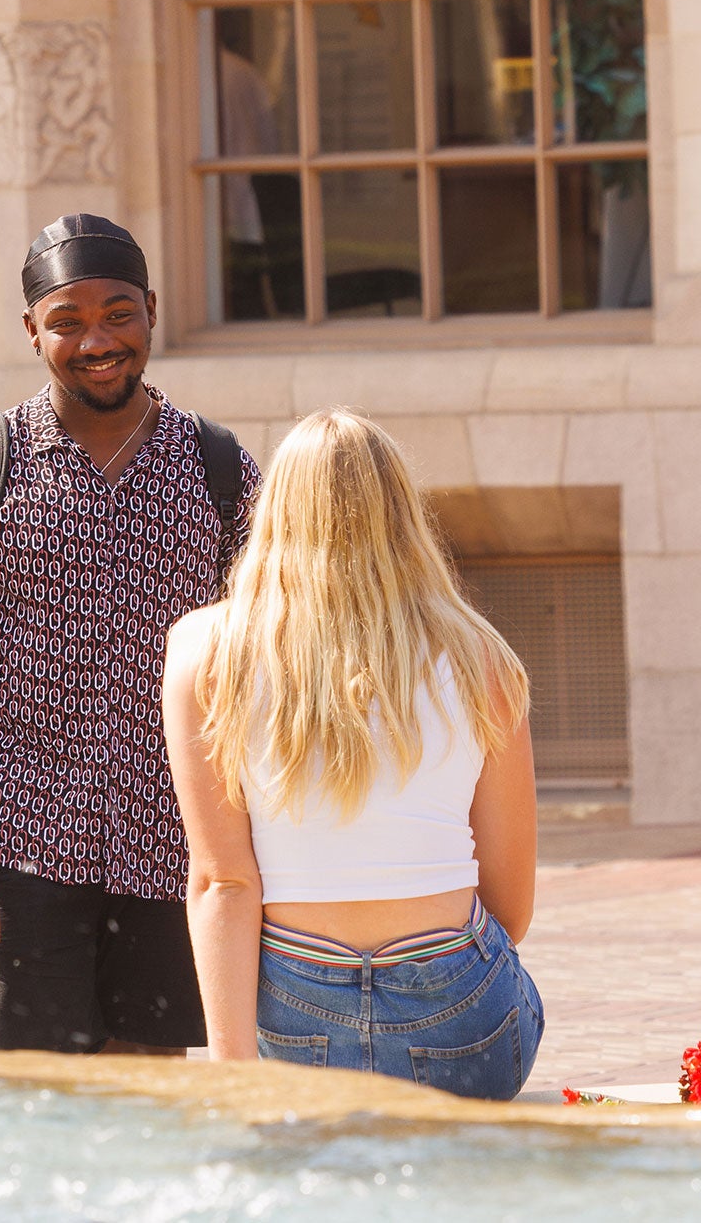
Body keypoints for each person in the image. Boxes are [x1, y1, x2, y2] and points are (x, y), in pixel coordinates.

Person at [0, 214, 260, 1055]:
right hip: (19, 864)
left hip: (176, 853)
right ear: (32, 331)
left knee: (152, 1100)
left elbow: (269, 663)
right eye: (68, 321)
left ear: (152, 312)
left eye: (118, 314)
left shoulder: (222, 470)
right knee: (27, 1121)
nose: (97, 340)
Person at [160, 408, 543, 1100]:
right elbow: (511, 909)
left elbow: (224, 883)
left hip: (293, 1011)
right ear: (403, 512)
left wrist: (232, 1070)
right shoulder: (481, 654)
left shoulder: (203, 650)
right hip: (459, 1018)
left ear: (273, 508)